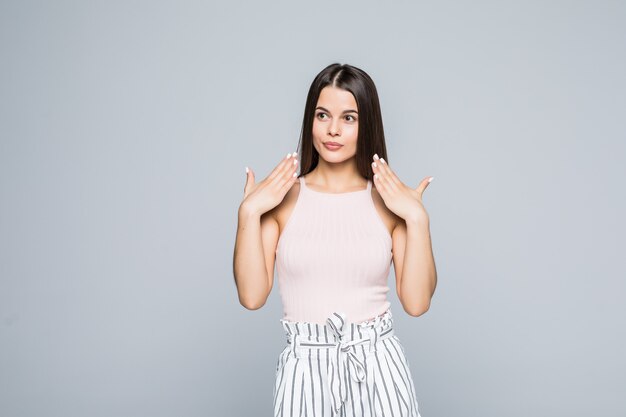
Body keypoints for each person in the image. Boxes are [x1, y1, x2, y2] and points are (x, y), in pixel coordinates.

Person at [233, 63, 437, 417]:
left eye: (348, 118)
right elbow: (251, 297)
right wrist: (248, 213)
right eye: (323, 115)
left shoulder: (390, 202)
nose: (332, 129)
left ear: (366, 124)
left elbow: (417, 304)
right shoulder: (282, 199)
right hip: (304, 368)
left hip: (376, 366)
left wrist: (417, 219)